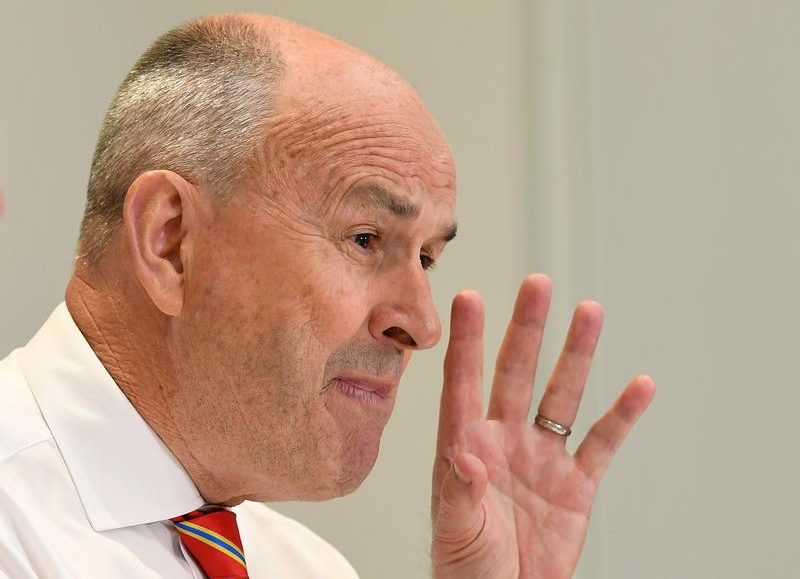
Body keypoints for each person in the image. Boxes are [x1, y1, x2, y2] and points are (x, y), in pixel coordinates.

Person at [0, 13, 655, 579]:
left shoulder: (303, 565)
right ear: (170, 240)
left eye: (427, 258)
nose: (423, 325)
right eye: (366, 239)